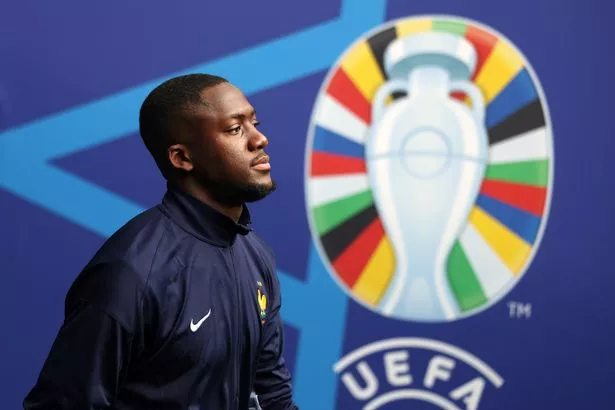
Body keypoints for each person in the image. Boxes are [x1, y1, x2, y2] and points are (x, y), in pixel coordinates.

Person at [23, 74, 299, 409]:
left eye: (254, 123)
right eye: (235, 129)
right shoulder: (130, 273)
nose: (260, 139)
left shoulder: (256, 255)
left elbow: (271, 396)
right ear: (182, 157)